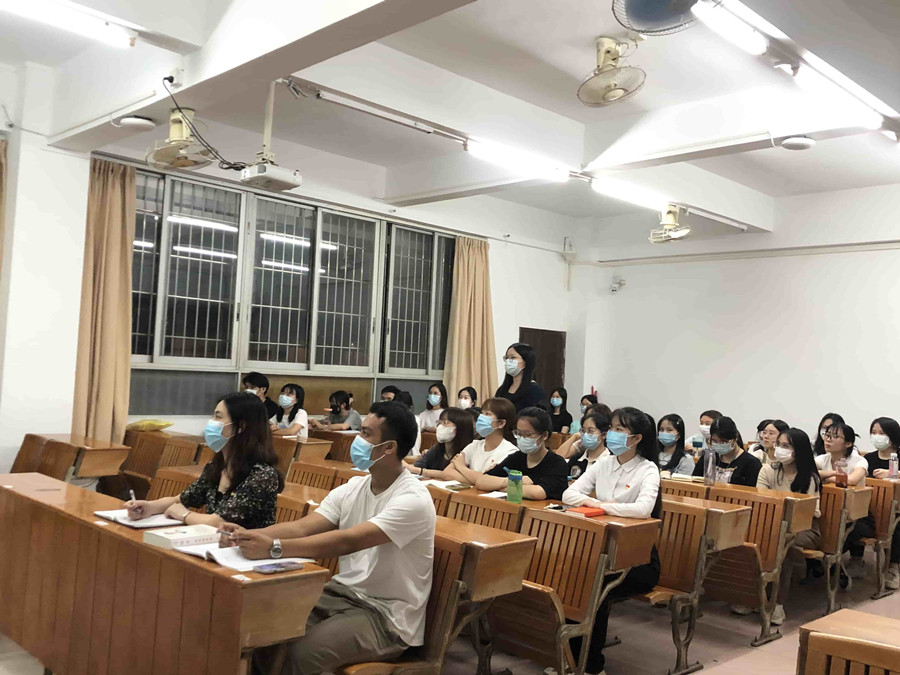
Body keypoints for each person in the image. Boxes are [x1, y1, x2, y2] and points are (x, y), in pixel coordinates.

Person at [231, 401, 434, 675]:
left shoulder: (413, 499)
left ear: (389, 447)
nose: (357, 440)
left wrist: (274, 549)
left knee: (297, 657)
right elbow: (303, 528)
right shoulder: (354, 486)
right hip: (340, 594)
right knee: (263, 633)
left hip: (385, 616)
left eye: (365, 434)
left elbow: (348, 541)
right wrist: (244, 535)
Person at [562, 406, 661, 675]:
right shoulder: (604, 463)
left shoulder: (648, 469)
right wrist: (598, 504)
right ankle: (569, 658)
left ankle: (591, 666)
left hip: (637, 559)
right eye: (612, 428)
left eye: (619, 429)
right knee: (572, 578)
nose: (612, 434)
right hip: (601, 550)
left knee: (596, 587)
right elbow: (569, 495)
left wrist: (602, 506)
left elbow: (643, 509)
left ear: (636, 438)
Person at [126, 392, 282, 529]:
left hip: (244, 549)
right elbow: (182, 499)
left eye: (218, 417)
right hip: (213, 544)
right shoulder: (217, 466)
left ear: (240, 426)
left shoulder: (262, 475)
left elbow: (219, 522)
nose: (211, 422)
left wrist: (185, 515)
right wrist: (149, 507)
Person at [756, 428, 822, 625]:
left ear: (798, 450)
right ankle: (751, 598)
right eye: (779, 445)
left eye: (786, 446)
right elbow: (762, 501)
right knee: (758, 542)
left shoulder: (809, 478)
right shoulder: (767, 470)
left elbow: (808, 513)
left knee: (782, 544)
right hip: (772, 526)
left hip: (805, 529)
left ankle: (776, 603)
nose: (780, 449)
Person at [843, 417, 900, 589]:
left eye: (881, 433)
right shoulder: (868, 458)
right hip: (869, 505)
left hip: (895, 507)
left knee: (897, 524)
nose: (877, 436)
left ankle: (893, 567)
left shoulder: (897, 457)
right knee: (855, 519)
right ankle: (856, 559)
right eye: (874, 432)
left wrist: (893, 474)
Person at [475, 406, 568, 500]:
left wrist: (499, 487)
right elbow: (481, 481)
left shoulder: (557, 463)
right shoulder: (517, 457)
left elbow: (537, 493)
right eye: (518, 433)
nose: (522, 438)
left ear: (544, 435)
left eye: (528, 434)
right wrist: (509, 481)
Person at [445, 397, 517, 484]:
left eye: (487, 414)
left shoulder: (510, 452)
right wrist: (478, 479)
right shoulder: (475, 445)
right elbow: (447, 472)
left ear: (501, 423)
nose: (481, 417)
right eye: (482, 413)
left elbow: (491, 482)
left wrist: (461, 467)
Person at [692, 416, 761, 486]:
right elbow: (694, 482)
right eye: (714, 441)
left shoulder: (751, 463)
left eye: (724, 442)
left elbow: (751, 490)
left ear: (735, 438)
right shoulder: (708, 457)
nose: (719, 444)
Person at [408, 408, 476, 479]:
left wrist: (417, 470)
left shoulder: (468, 451)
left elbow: (449, 475)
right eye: (439, 422)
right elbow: (417, 465)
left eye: (445, 423)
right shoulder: (438, 448)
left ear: (460, 428)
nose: (440, 426)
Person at [561, 410, 611, 481]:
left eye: (591, 431)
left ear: (603, 435)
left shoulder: (610, 461)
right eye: (583, 431)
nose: (586, 435)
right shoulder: (576, 459)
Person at [495, 343, 546, 412]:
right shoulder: (502, 390)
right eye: (506, 358)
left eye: (513, 357)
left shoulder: (534, 390)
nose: (508, 361)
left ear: (525, 362)